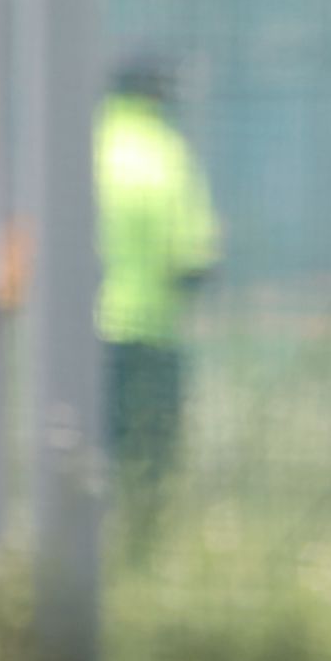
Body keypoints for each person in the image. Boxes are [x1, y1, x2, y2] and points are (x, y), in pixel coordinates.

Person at [95, 51, 222, 541]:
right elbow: (194, 259)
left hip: (81, 335)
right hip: (150, 332)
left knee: (87, 451)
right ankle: (139, 550)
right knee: (150, 456)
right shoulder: (168, 157)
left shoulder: (84, 151)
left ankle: (85, 545)